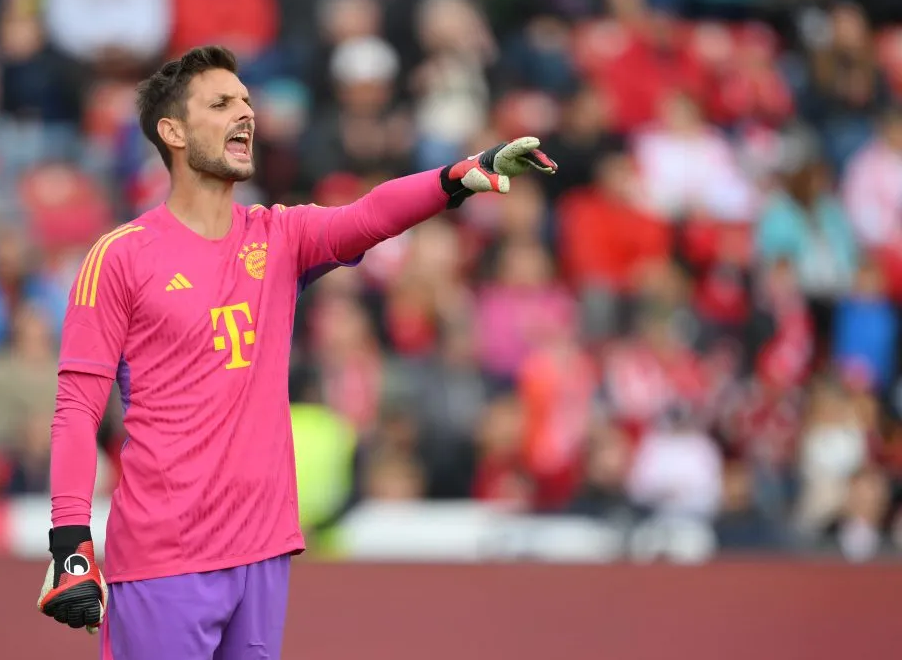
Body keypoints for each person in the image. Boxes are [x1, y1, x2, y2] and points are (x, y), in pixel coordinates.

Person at [35, 45, 555, 660]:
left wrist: (458, 176)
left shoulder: (277, 237)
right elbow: (76, 409)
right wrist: (70, 540)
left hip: (263, 550)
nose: (246, 113)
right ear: (172, 131)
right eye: (222, 103)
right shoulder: (120, 257)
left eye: (247, 101)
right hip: (163, 555)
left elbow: (366, 217)